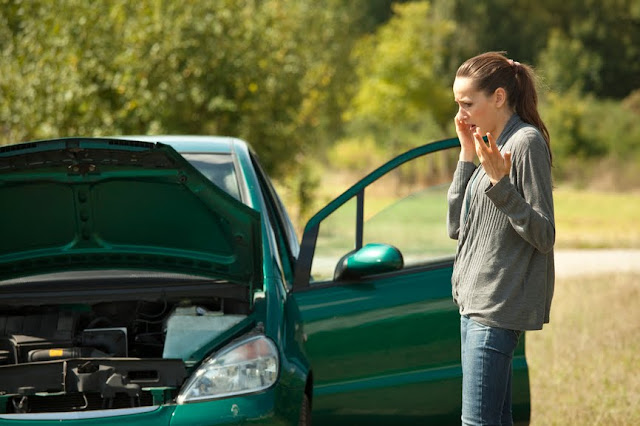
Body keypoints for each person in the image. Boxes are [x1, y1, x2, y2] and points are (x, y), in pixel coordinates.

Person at [447, 51, 555, 425]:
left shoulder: (525, 143)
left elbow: (544, 234)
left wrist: (500, 184)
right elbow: (456, 228)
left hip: (496, 309)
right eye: (457, 105)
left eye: (467, 104)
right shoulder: (488, 145)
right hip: (472, 307)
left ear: (498, 97)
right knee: (497, 420)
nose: (461, 115)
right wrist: (466, 155)